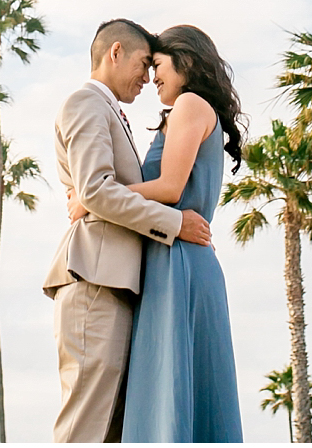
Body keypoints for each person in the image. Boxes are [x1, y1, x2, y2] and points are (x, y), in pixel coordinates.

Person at [68, 24, 246, 443]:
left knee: (171, 392)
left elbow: (170, 188)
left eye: (157, 65)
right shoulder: (192, 110)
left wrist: (92, 198)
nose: (152, 79)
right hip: (172, 257)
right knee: (173, 391)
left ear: (184, 61)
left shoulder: (189, 104)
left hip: (178, 261)